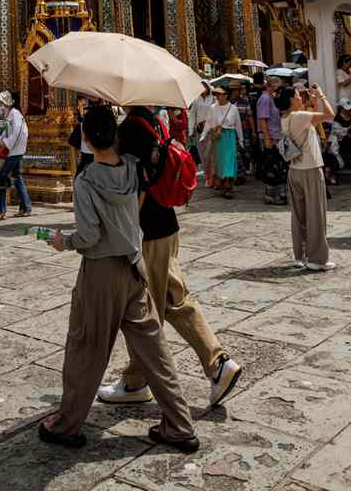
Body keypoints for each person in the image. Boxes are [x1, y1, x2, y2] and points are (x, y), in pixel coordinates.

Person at [38, 104, 198, 454]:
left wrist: (62, 241)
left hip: (101, 272)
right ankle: (180, 425)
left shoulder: (86, 179)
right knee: (154, 349)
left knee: (86, 347)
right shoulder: (132, 168)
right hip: (133, 266)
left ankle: (66, 425)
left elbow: (89, 235)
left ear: (86, 138)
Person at [97, 107, 242, 409]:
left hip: (146, 232)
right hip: (166, 225)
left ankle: (203, 368)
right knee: (172, 298)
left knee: (142, 308)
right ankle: (213, 364)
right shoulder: (154, 122)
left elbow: (137, 187)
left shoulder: (131, 130)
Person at [280, 85, 335, 270]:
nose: (301, 98)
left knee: (299, 216)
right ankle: (317, 259)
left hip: (294, 170)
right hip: (310, 169)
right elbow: (329, 114)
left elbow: (308, 117)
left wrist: (313, 102)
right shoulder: (300, 117)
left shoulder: (286, 118)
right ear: (291, 100)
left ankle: (300, 255)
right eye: (297, 96)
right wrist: (322, 95)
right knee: (316, 214)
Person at [0, 90, 31, 220]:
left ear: (6, 103)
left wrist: (6, 144)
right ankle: (26, 207)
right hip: (14, 151)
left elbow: (18, 133)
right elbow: (5, 133)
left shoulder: (15, 114)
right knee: (17, 177)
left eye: (1, 103)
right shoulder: (9, 115)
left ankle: (1, 210)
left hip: (14, 151)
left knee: (1, 179)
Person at [201, 84, 243, 199]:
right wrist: (203, 135)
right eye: (217, 94)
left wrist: (241, 139)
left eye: (220, 94)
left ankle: (228, 186)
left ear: (226, 95)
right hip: (218, 137)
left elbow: (238, 124)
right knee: (220, 162)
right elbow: (208, 122)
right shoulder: (213, 107)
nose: (218, 96)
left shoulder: (233, 108)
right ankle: (223, 184)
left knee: (230, 161)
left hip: (230, 136)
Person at [253, 79, 288, 206]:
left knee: (277, 166)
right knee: (271, 166)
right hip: (270, 137)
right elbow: (262, 119)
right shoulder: (265, 99)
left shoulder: (272, 98)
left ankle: (277, 193)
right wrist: (267, 138)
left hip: (276, 136)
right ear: (271, 86)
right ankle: (271, 194)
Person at [187, 82, 214, 187]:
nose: (203, 89)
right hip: (199, 131)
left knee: (211, 155)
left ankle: (213, 177)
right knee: (203, 155)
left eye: (205, 86)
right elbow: (192, 115)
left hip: (211, 130)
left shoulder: (213, 99)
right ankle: (208, 177)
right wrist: (191, 130)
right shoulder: (196, 100)